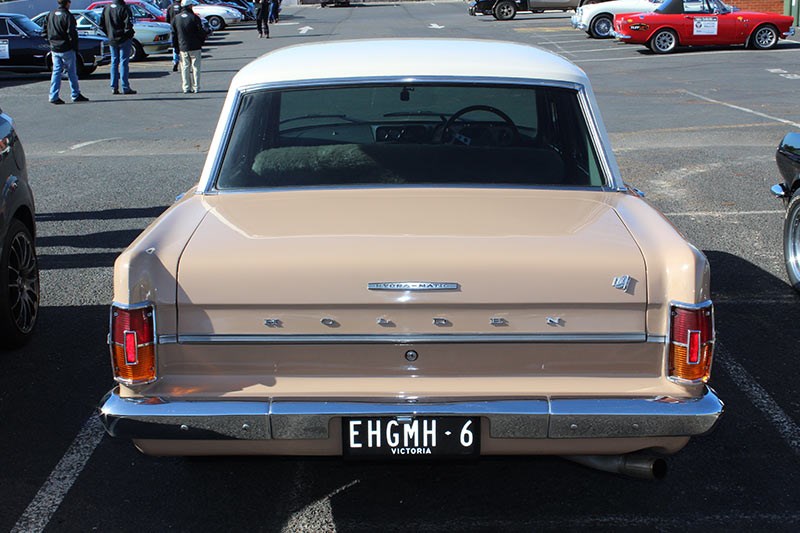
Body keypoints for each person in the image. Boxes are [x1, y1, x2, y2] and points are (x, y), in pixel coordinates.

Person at [44, 0, 89, 105]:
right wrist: (74, 47)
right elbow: (72, 34)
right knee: (72, 72)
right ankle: (75, 94)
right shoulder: (68, 16)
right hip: (66, 48)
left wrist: (50, 41)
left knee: (56, 72)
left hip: (54, 48)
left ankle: (53, 96)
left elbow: (44, 30)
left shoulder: (51, 14)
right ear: (68, 3)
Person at [99, 0, 137, 95]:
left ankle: (114, 86)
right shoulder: (124, 8)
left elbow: (101, 25)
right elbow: (129, 25)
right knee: (124, 62)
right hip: (124, 39)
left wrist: (109, 34)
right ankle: (125, 87)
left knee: (114, 62)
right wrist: (128, 35)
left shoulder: (107, 8)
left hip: (112, 38)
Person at [171, 0, 205, 94]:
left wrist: (176, 47)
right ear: (189, 6)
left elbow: (174, 34)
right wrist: (201, 42)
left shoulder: (176, 18)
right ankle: (196, 87)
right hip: (195, 46)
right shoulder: (194, 18)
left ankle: (186, 87)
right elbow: (201, 32)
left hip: (183, 46)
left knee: (185, 67)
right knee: (196, 67)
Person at [165, 0, 182, 71]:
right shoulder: (182, 7)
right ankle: (183, 61)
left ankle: (175, 61)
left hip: (173, 28)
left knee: (175, 45)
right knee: (182, 45)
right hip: (181, 28)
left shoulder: (170, 7)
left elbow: (167, 19)